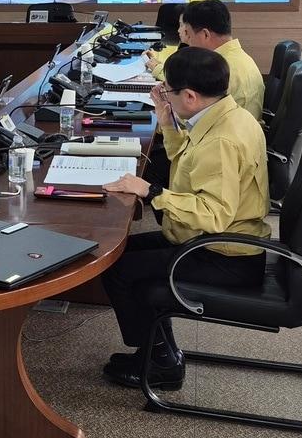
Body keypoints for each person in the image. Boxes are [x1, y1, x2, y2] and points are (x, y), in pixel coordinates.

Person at [100, 47, 270, 391]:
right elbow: (190, 165)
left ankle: (160, 362)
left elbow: (213, 214)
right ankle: (159, 352)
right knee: (117, 255)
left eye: (167, 91)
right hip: (214, 239)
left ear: (190, 96)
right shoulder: (224, 116)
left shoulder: (221, 140)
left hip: (224, 253)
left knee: (120, 270)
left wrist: (151, 192)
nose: (163, 94)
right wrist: (167, 122)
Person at [173, 0, 264, 115]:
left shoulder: (220, 69)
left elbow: (196, 117)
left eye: (189, 35)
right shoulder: (239, 58)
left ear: (205, 35)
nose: (189, 43)